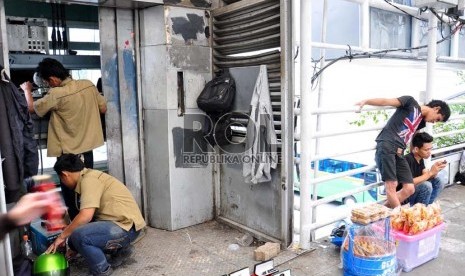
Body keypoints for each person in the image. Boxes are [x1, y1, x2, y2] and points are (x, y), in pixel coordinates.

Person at [20, 58, 107, 220]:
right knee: (88, 185)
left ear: (52, 79)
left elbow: (31, 108)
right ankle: (91, 219)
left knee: (72, 192)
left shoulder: (56, 94)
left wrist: (26, 90)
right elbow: (103, 108)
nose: (48, 85)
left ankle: (77, 224)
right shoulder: (88, 85)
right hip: (88, 149)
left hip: (69, 152)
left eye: (47, 82)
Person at [45, 154, 146, 276]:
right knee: (74, 240)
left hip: (126, 228)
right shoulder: (89, 176)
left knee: (78, 236)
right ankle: (121, 251)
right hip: (125, 227)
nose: (63, 182)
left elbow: (86, 216)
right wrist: (74, 245)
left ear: (65, 174)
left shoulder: (89, 180)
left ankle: (102, 270)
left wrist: (61, 237)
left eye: (61, 179)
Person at [356, 96, 450, 208]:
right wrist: (366, 100)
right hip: (387, 146)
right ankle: (399, 217)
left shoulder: (421, 121)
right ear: (436, 108)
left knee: (409, 188)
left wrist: (421, 158)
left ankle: (382, 211)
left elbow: (414, 142)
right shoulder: (410, 103)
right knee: (391, 185)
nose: (434, 122)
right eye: (437, 119)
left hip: (399, 152)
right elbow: (387, 101)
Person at [403, 132, 447, 205]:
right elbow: (409, 183)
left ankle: (426, 208)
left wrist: (435, 170)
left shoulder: (420, 158)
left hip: (415, 191)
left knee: (439, 180)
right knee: (426, 185)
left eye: (430, 149)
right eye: (426, 150)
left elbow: (425, 175)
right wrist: (430, 173)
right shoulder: (407, 160)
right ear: (416, 149)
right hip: (405, 196)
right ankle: (420, 211)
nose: (429, 152)